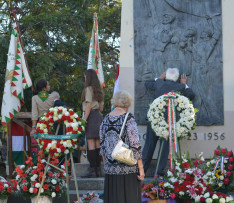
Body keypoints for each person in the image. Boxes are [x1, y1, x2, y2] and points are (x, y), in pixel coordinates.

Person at [142, 68, 195, 176]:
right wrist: (185, 84)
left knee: (149, 145)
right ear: (177, 78)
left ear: (166, 76)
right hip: (169, 122)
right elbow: (191, 95)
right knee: (164, 147)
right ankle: (159, 172)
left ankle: (141, 170)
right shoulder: (180, 87)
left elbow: (147, 84)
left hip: (154, 120)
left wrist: (159, 78)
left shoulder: (159, 83)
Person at [100, 90, 144, 203]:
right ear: (127, 103)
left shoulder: (106, 118)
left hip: (110, 169)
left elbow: (102, 143)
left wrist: (106, 164)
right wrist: (141, 168)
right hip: (128, 169)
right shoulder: (128, 118)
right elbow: (135, 145)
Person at [81, 69, 104, 178]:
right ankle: (98, 169)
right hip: (98, 116)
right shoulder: (99, 90)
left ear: (88, 77)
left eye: (85, 76)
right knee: (97, 144)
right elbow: (101, 108)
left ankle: (92, 170)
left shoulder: (88, 89)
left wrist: (84, 120)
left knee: (90, 143)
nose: (84, 78)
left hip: (90, 116)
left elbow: (88, 106)